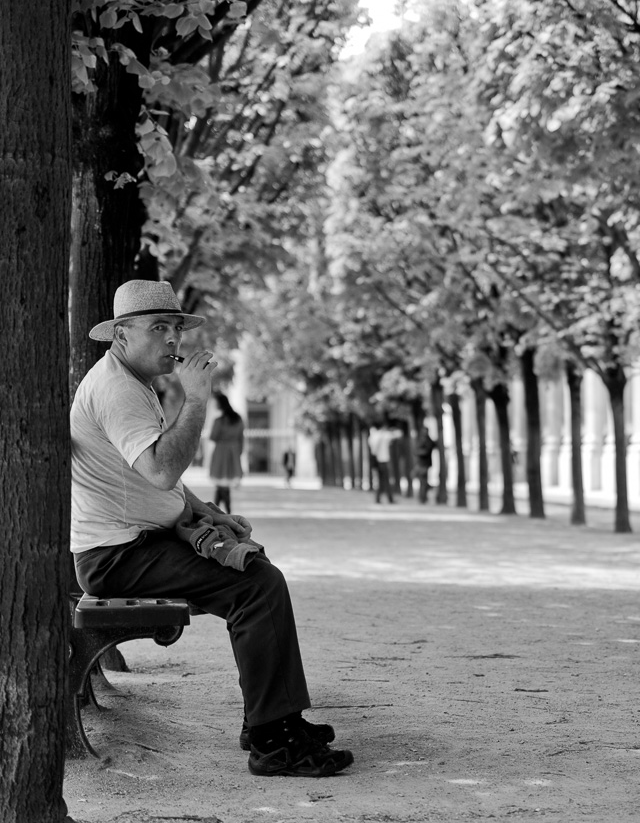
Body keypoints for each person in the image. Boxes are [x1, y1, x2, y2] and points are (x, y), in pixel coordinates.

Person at [70, 280, 354, 778]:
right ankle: (272, 741)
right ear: (121, 334)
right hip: (117, 556)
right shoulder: (117, 389)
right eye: (158, 328)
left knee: (256, 571)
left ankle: (276, 720)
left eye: (175, 328)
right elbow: (160, 470)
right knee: (256, 587)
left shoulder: (129, 380)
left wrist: (205, 513)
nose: (172, 340)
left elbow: (153, 480)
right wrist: (195, 400)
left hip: (133, 542)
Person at [209, 392, 244, 513]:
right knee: (223, 486)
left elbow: (213, 436)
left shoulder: (219, 421)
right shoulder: (238, 419)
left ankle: (222, 512)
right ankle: (220, 511)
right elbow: (241, 438)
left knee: (221, 485)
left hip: (221, 452)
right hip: (233, 452)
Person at [368, 418, 403, 504]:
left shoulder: (372, 436)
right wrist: (390, 430)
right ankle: (389, 499)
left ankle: (379, 498)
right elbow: (398, 434)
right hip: (383, 460)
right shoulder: (384, 435)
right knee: (386, 480)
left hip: (377, 461)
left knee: (381, 480)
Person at [414, 424, 435, 504]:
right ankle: (422, 497)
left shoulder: (428, 440)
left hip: (425, 463)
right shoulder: (421, 440)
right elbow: (416, 450)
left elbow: (432, 446)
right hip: (422, 463)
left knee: (424, 481)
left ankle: (423, 497)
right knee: (423, 481)